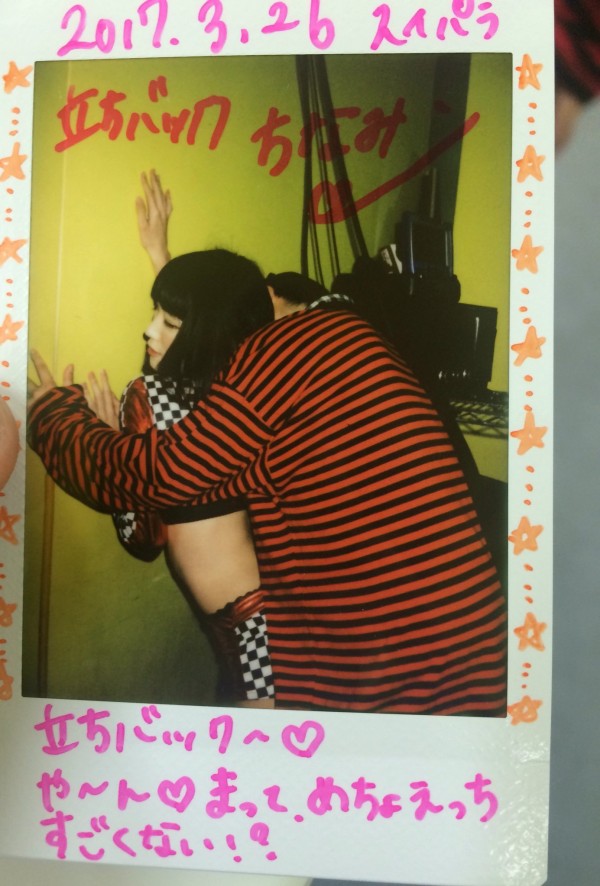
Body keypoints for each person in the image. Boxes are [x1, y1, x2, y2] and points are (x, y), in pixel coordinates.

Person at [29, 232, 507, 715]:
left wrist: (52, 416)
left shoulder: (277, 357)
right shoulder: (346, 333)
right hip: (468, 645)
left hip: (406, 675)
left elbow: (159, 474)